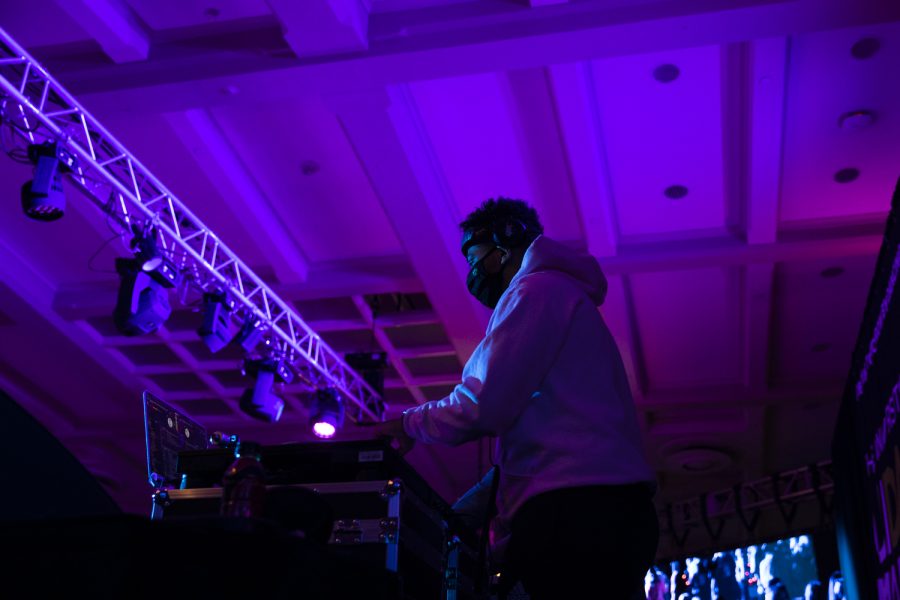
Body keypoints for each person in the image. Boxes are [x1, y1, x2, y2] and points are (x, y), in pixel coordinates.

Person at [374, 197, 658, 599]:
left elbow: (483, 404)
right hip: (607, 514)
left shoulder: (535, 290)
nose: (473, 272)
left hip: (575, 517)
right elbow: (539, 449)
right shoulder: (563, 297)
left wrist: (407, 423)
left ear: (506, 240)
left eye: (476, 256)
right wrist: (458, 516)